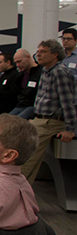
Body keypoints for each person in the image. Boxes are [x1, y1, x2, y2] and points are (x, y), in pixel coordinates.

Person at [22, 39, 77, 184]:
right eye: (38, 51)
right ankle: (20, 195)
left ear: (55, 55)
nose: (38, 55)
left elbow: (68, 102)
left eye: (43, 52)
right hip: (41, 120)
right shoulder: (46, 71)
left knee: (26, 158)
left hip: (51, 122)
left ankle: (11, 194)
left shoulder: (60, 72)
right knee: (28, 160)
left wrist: (70, 129)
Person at [9, 49, 43, 119]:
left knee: (15, 122)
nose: (18, 65)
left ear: (28, 57)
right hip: (20, 105)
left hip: (33, 106)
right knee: (4, 122)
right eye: (16, 63)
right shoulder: (20, 76)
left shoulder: (40, 72)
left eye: (19, 61)